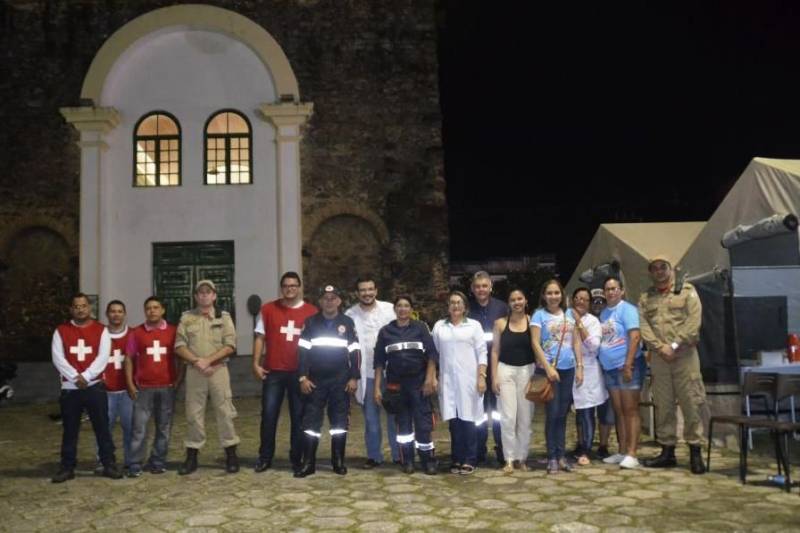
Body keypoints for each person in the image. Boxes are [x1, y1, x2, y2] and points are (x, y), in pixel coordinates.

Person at [639, 255, 706, 474]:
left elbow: (694, 322)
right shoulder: (646, 298)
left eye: (663, 267)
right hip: (660, 358)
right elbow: (644, 326)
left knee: (691, 403)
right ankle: (667, 452)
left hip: (685, 356)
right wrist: (660, 348)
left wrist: (674, 345)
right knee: (663, 404)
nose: (659, 271)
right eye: (654, 268)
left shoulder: (687, 292)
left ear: (671, 269)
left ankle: (695, 451)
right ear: (650, 272)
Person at [50, 293, 123, 482]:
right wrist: (75, 377)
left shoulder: (101, 330)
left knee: (102, 428)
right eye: (76, 306)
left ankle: (108, 464)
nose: (80, 309)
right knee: (70, 429)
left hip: (94, 386)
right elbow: (58, 358)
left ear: (89, 308)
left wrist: (87, 376)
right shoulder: (61, 331)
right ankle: (67, 467)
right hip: (70, 388)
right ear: (71, 309)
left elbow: (103, 356)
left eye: (83, 306)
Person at [252, 271, 318, 473]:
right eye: (286, 285)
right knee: (269, 415)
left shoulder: (312, 311)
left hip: (300, 373)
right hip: (274, 372)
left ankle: (296, 457)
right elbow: (260, 337)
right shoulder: (268, 309)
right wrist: (255, 363)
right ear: (281, 288)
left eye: (293, 285)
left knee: (299, 417)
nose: (290, 289)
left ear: (299, 288)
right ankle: (265, 457)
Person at [174, 280, 240, 475]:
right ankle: (192, 456)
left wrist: (208, 361)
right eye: (200, 293)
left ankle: (231, 454)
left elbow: (230, 345)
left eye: (208, 292)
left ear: (214, 296)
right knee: (193, 413)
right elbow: (179, 345)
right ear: (196, 296)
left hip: (218, 371)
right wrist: (197, 362)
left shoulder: (224, 317)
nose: (204, 296)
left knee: (225, 412)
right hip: (195, 372)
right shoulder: (187, 318)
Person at [295, 285, 361, 477]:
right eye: (326, 298)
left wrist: (354, 377)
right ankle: (308, 463)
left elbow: (355, 351)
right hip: (315, 381)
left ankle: (338, 461)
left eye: (333, 298)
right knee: (311, 423)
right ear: (320, 302)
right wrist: (302, 377)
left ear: (339, 301)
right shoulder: (311, 323)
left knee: (339, 423)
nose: (329, 301)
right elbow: (302, 353)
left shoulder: (347, 322)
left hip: (340, 380)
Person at [373, 295, 439, 474]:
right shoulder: (386, 332)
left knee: (423, 424)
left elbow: (432, 355)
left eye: (406, 306)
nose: (403, 309)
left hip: (418, 383)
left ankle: (428, 460)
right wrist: (377, 388)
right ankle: (407, 460)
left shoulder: (421, 328)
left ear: (411, 310)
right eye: (399, 306)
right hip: (396, 386)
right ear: (395, 309)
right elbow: (379, 362)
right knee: (403, 426)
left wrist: (429, 379)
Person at [345, 276, 399, 469]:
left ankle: (397, 454)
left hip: (390, 373)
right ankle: (374, 456)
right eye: (362, 290)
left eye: (370, 289)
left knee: (394, 415)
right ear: (357, 293)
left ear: (376, 291)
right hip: (366, 373)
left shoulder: (390, 310)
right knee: (370, 417)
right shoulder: (350, 315)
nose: (367, 293)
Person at [530, 279, 583, 474]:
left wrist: (580, 367)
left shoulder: (569, 314)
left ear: (562, 295)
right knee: (552, 414)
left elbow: (575, 341)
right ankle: (552, 456)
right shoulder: (539, 315)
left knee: (563, 414)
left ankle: (561, 455)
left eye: (557, 293)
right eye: (549, 293)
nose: (553, 297)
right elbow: (535, 343)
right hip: (550, 371)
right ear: (544, 296)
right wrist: (548, 368)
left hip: (568, 369)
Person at [432, 290, 487, 475]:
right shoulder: (440, 327)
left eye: (459, 302)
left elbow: (482, 353)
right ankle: (456, 457)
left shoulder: (474, 326)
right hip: (448, 381)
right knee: (454, 421)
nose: (455, 306)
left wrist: (481, 377)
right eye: (452, 303)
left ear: (465, 306)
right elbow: (435, 353)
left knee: (468, 419)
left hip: (469, 380)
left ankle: (470, 458)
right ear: (448, 306)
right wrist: (433, 376)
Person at [125, 296, 179, 476]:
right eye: (148, 308)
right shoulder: (136, 333)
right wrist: (130, 383)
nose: (152, 311)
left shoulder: (173, 331)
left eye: (156, 307)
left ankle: (158, 461)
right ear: (144, 311)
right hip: (144, 388)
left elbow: (181, 358)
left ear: (163, 310)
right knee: (139, 427)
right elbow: (129, 359)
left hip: (166, 386)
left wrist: (178, 380)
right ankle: (134, 463)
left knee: (163, 427)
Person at [598, 276, 646, 469]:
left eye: (614, 288)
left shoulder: (628, 310)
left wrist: (628, 364)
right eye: (607, 289)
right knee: (618, 411)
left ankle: (632, 453)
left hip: (628, 367)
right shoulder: (603, 314)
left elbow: (634, 337)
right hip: (610, 369)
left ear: (622, 291)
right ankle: (622, 450)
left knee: (630, 410)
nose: (611, 292)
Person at [490, 288, 536, 474]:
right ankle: (508, 458)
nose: (517, 302)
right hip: (505, 371)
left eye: (520, 298)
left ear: (525, 301)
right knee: (508, 417)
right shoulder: (500, 323)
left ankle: (521, 458)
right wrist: (494, 377)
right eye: (513, 299)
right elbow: (495, 351)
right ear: (508, 303)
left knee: (525, 418)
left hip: (527, 372)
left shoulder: (533, 321)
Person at [469, 271, 508, 465]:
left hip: (499, 368)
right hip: (476, 370)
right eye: (477, 286)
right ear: (472, 289)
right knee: (479, 414)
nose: (481, 290)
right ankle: (479, 450)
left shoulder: (502, 308)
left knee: (500, 412)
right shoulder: (467, 310)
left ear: (491, 287)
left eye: (484, 286)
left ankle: (502, 449)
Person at [569, 288, 605, 466]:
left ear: (589, 303)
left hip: (588, 370)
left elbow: (593, 346)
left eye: (584, 299)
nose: (580, 302)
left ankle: (586, 450)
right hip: (569, 368)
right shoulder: (565, 318)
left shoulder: (593, 322)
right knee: (578, 412)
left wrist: (579, 323)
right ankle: (579, 444)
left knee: (587, 412)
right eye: (577, 298)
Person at [101, 299, 134, 474]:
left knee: (130, 427)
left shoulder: (133, 334)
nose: (116, 314)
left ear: (125, 314)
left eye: (120, 311)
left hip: (127, 391)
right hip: (106, 391)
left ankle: (130, 460)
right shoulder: (100, 334)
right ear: (107, 314)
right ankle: (105, 460)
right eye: (112, 311)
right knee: (104, 428)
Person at [588, 288, 615, 459]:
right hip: (589, 369)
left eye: (601, 301)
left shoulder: (610, 320)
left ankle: (603, 445)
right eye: (595, 301)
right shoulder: (585, 320)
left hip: (607, 368)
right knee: (585, 409)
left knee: (607, 409)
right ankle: (584, 443)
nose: (598, 304)